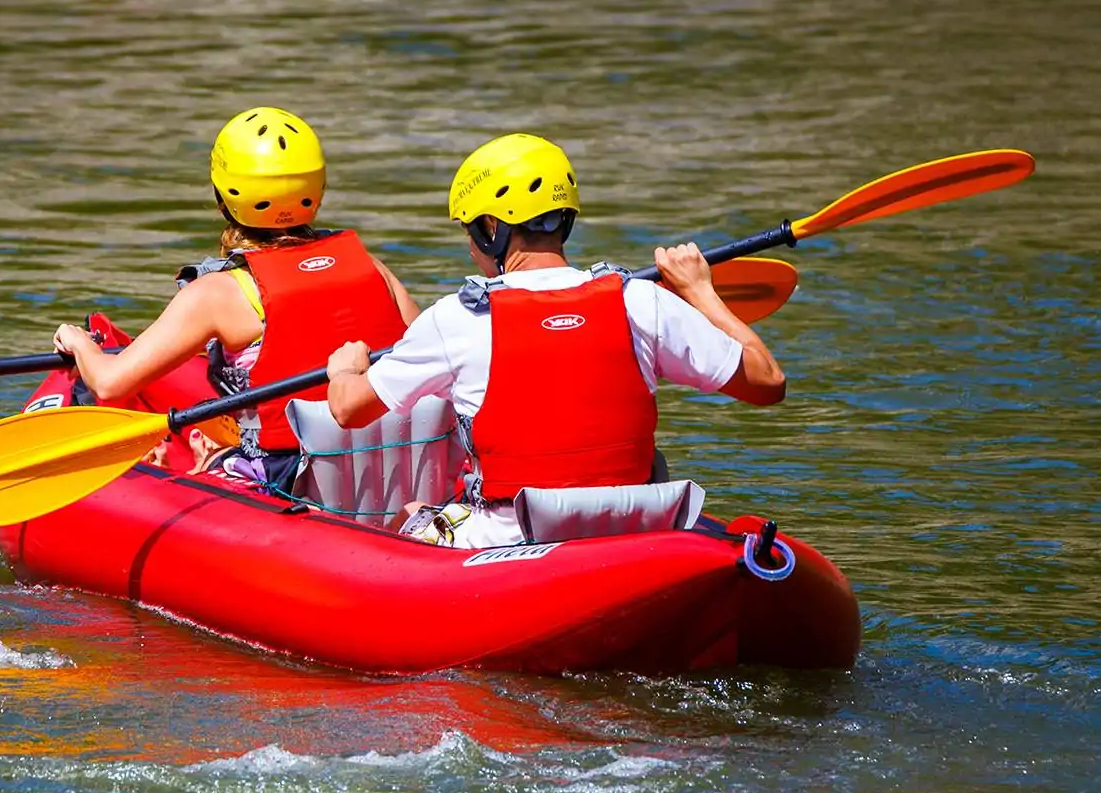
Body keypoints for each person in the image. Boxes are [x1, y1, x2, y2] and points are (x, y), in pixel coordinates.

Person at [324, 132, 784, 548]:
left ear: (489, 229)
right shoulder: (640, 301)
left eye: (469, 230)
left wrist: (347, 368)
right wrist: (700, 291)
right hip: (640, 531)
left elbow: (349, 409)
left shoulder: (457, 317)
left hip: (508, 540)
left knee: (408, 516)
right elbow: (767, 382)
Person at [51, 107, 420, 485]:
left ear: (222, 198)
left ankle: (212, 461)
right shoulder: (371, 267)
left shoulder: (216, 293)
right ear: (317, 189)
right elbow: (423, 357)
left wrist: (80, 344)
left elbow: (110, 383)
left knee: (204, 454)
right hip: (399, 466)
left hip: (293, 477)